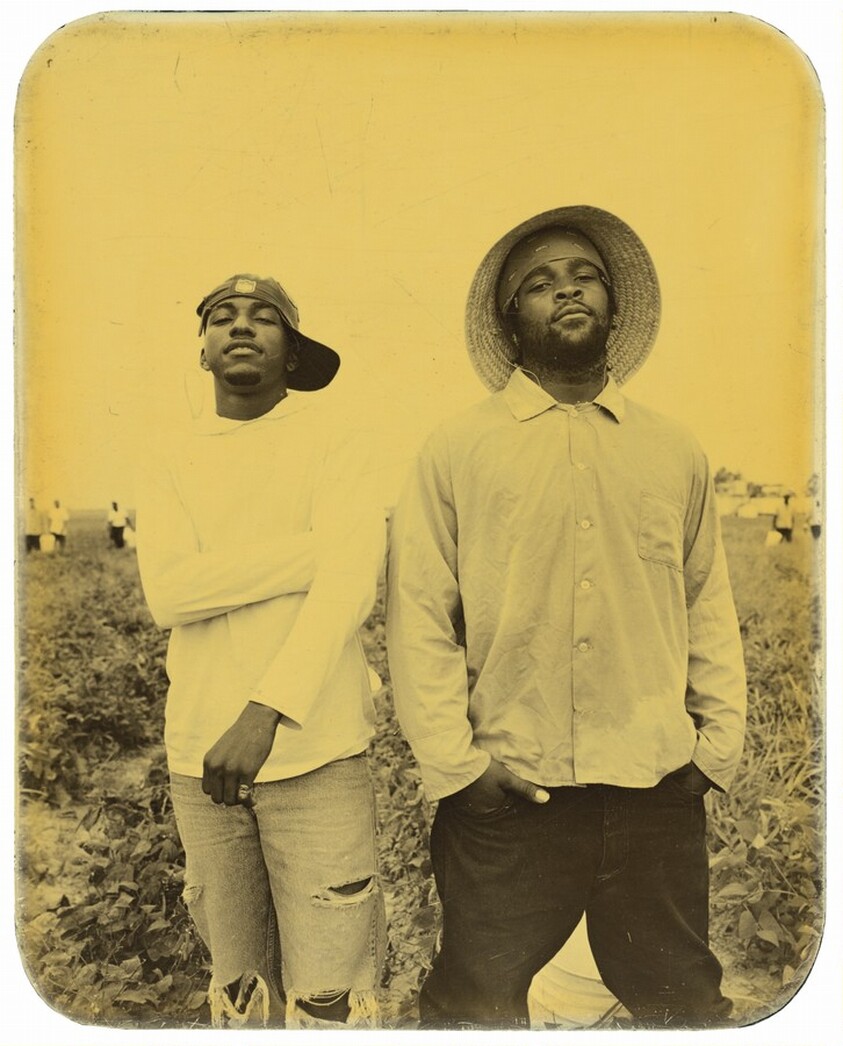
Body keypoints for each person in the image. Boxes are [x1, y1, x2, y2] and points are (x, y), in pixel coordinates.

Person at [386, 206, 747, 1030]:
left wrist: (714, 747)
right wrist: (459, 769)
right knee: (475, 1011)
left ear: (614, 304)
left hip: (654, 788)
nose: (565, 290)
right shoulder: (456, 449)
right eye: (539, 284)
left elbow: (706, 605)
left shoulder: (672, 448)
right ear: (510, 321)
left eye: (583, 275)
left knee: (685, 1006)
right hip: (510, 794)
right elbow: (418, 619)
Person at [135, 274, 387, 1028]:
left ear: (293, 351)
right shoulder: (170, 452)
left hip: (318, 752)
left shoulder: (334, 442)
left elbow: (350, 590)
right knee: (238, 985)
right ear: (204, 350)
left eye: (265, 318)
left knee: (330, 993)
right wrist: (314, 551)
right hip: (199, 760)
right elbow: (169, 595)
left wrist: (265, 710)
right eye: (222, 317)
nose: (241, 327)